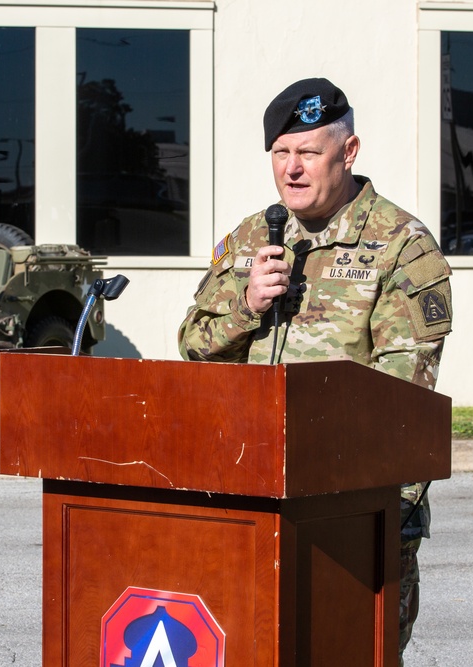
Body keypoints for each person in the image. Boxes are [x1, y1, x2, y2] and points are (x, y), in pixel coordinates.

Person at [177, 77, 453, 666]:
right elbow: (194, 348)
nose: (292, 170)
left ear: (348, 153)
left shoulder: (400, 246)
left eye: (308, 153)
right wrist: (244, 306)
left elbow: (403, 403)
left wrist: (384, 522)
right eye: (281, 154)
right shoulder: (254, 237)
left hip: (353, 513)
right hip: (251, 504)